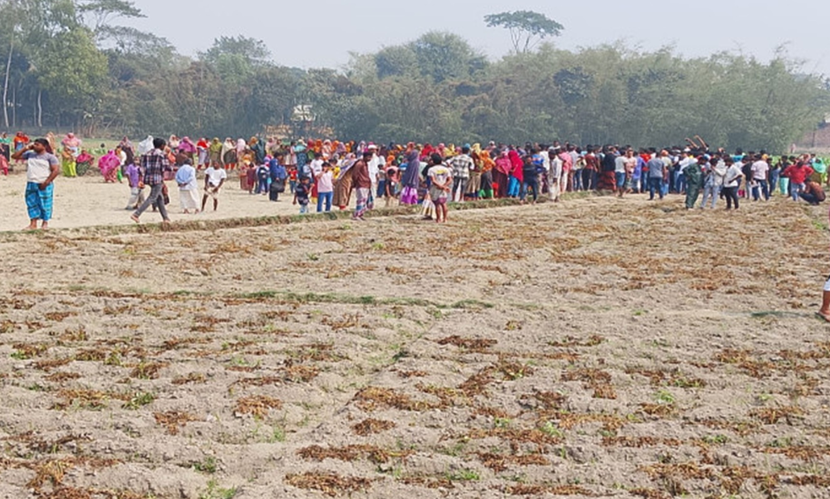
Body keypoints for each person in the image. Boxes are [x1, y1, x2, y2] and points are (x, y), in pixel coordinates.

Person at [12, 138, 59, 231]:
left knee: (45, 203)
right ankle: (33, 224)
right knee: (32, 203)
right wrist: (25, 148)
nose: (35, 146)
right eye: (34, 144)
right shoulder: (30, 155)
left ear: (44, 146)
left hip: (44, 182)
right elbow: (15, 156)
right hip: (31, 182)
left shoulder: (50, 157)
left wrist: (47, 182)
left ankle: (45, 223)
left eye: (37, 145)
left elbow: (56, 170)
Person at [131, 138, 171, 224]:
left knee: (159, 197)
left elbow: (141, 168)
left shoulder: (146, 154)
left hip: (148, 178)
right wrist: (168, 156)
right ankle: (136, 214)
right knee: (152, 197)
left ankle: (166, 218)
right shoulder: (162, 154)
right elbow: (166, 167)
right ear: (162, 146)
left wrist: (141, 179)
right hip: (157, 179)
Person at [427, 153, 452, 223]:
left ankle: (438, 219)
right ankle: (445, 219)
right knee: (444, 203)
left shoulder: (431, 169)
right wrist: (444, 186)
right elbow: (450, 179)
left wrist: (440, 186)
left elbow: (433, 180)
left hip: (435, 188)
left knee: (437, 204)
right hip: (444, 187)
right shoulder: (446, 169)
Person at [352, 151, 373, 220]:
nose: (370, 159)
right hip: (361, 184)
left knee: (364, 200)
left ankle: (360, 214)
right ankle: (356, 215)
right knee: (361, 200)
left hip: (366, 184)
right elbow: (355, 174)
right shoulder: (359, 164)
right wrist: (356, 182)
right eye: (369, 157)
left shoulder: (365, 164)